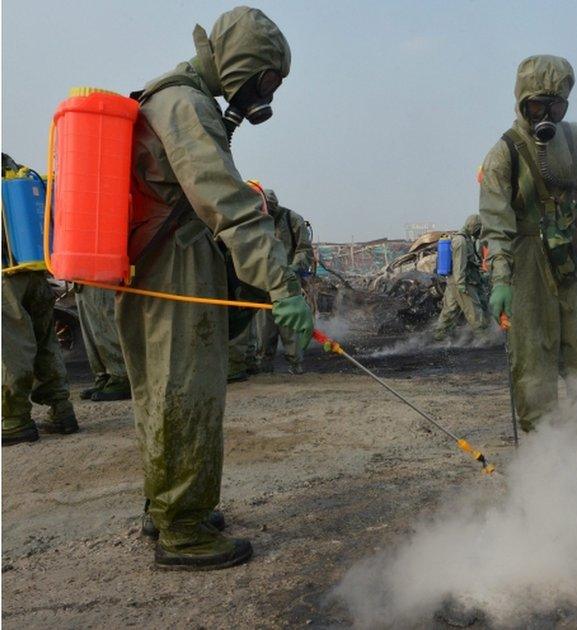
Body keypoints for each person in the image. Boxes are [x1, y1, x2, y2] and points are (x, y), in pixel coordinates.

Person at [120, 7, 313, 570]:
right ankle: (182, 530)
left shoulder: (184, 99)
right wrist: (283, 284)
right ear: (242, 65)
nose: (266, 92)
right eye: (266, 79)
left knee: (166, 390)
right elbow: (228, 204)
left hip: (163, 264)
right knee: (187, 392)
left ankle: (173, 510)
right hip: (172, 267)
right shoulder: (185, 105)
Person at [478, 55, 577, 433]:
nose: (546, 115)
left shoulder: (574, 138)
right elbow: (495, 221)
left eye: (555, 106)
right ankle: (546, 457)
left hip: (571, 257)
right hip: (527, 261)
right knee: (534, 358)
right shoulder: (503, 153)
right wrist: (501, 279)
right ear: (522, 101)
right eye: (537, 105)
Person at [2, 153, 79, 445]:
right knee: (45, 341)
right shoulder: (15, 170)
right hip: (34, 268)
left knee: (11, 348)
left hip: (7, 275)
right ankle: (62, 411)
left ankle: (15, 419)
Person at [254, 189, 315, 375]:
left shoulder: (292, 219)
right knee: (264, 327)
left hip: (287, 281)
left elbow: (304, 249)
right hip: (264, 281)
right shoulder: (257, 221)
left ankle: (295, 365)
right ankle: (264, 366)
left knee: (289, 325)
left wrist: (293, 269)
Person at [433, 214, 489, 341]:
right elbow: (459, 265)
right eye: (479, 229)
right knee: (473, 310)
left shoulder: (467, 239)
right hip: (462, 281)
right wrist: (461, 284)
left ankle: (439, 336)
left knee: (450, 310)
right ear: (474, 227)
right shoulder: (461, 241)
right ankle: (484, 338)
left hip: (455, 281)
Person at [75, 284, 131, 400]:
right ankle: (104, 376)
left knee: (103, 319)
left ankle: (120, 377)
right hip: (82, 272)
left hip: (101, 273)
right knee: (90, 322)